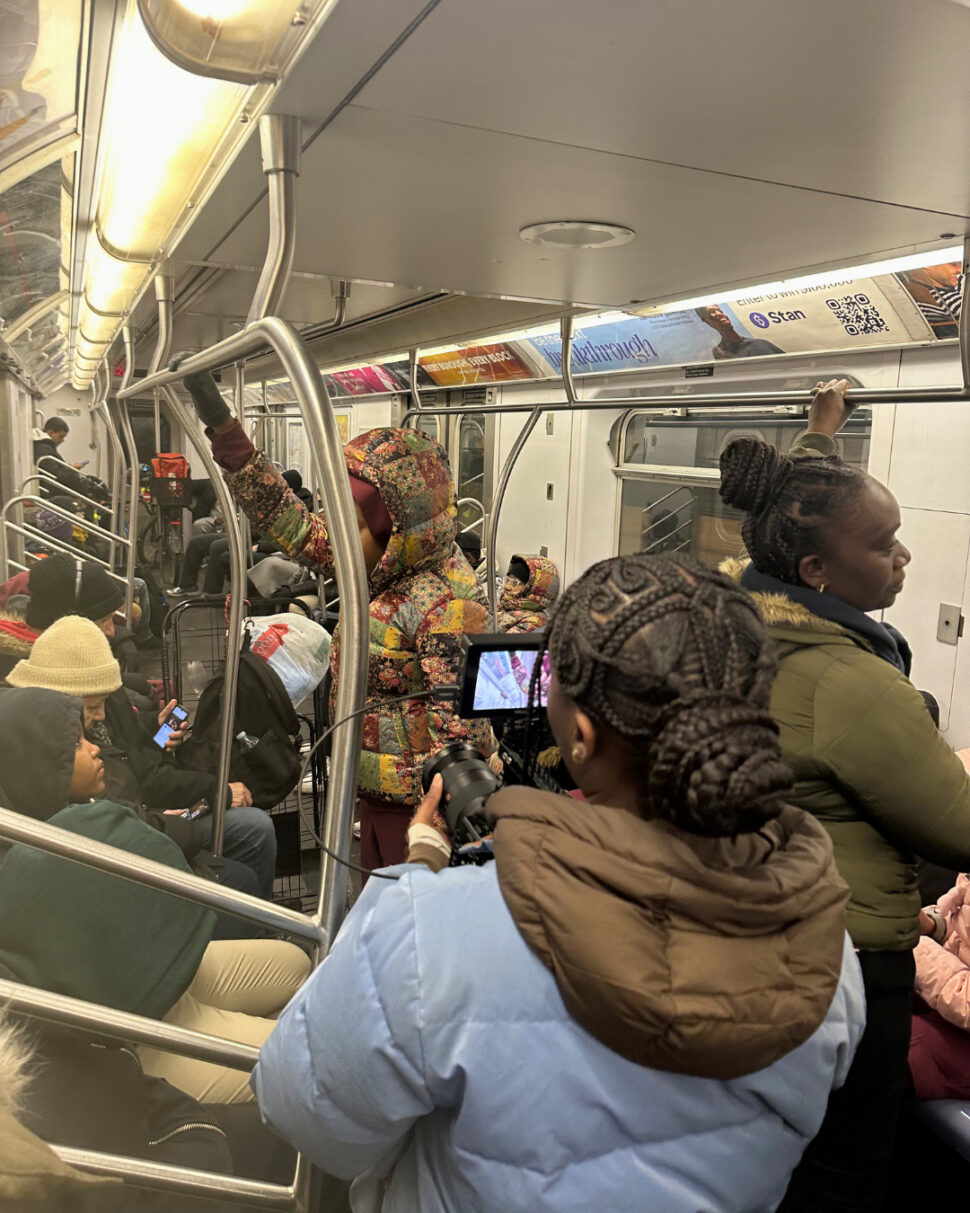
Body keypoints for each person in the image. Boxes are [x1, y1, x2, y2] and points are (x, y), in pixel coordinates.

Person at [252, 552, 864, 1213]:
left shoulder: (431, 933)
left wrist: (420, 872)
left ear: (579, 733)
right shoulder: (828, 952)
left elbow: (304, 1111)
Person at [717, 378, 970, 1213]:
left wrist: (820, 431)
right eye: (885, 543)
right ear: (818, 570)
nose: (904, 556)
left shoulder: (752, 614)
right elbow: (961, 828)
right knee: (845, 1175)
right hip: (850, 962)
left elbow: (792, 517)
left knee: (776, 1158)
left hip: (763, 932)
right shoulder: (853, 682)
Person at [178, 365, 491, 871]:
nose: (339, 534)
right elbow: (290, 521)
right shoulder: (380, 561)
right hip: (373, 790)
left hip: (415, 812)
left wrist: (434, 835)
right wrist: (224, 428)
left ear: (397, 527)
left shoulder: (447, 606)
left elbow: (460, 736)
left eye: (355, 523)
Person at [0, 686, 310, 1105]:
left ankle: (264, 1052)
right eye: (77, 743)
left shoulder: (82, 804)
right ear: (41, 766)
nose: (95, 747)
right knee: (304, 1062)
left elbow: (143, 774)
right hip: (128, 1034)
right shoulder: (32, 863)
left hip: (161, 980)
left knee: (297, 963)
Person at [6, 615, 278, 926]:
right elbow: (113, 816)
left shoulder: (99, 713)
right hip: (141, 835)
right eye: (92, 707)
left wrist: (156, 734)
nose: (113, 630)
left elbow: (133, 761)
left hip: (150, 814)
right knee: (245, 859)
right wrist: (210, 797)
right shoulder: (57, 750)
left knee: (255, 831)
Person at [496, 553, 560, 633]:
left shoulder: (532, 623)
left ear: (530, 590)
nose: (507, 586)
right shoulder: (507, 606)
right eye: (508, 580)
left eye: (515, 583)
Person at [695, 305, 784, 359]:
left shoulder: (761, 344)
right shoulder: (720, 352)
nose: (719, 314)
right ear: (706, 320)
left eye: (719, 310)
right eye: (712, 312)